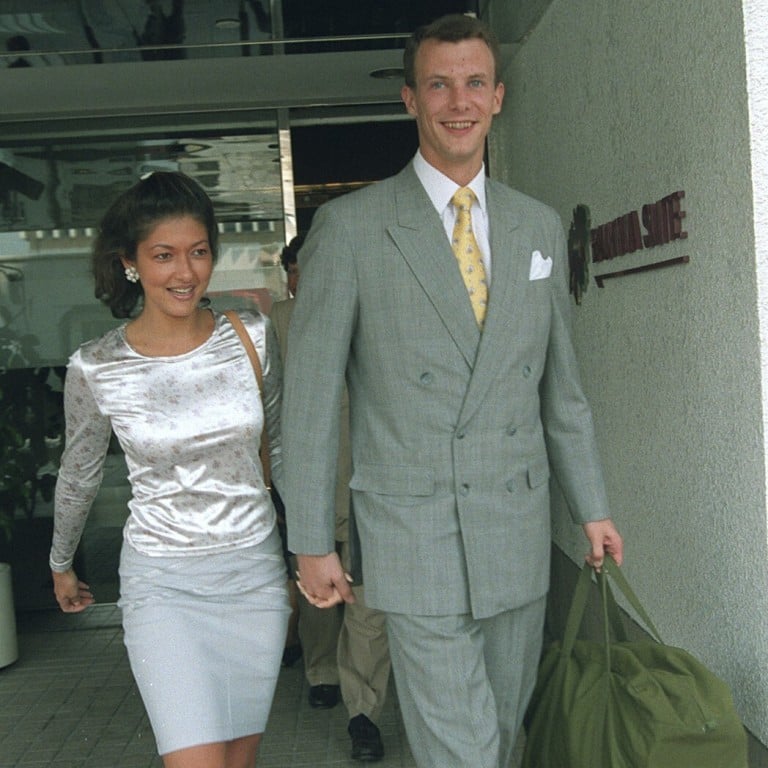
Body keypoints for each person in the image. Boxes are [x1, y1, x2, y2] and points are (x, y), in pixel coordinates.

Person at [280, 13, 624, 768]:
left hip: (514, 524)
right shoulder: (351, 228)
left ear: (498, 97)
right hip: (412, 533)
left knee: (501, 735)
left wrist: (591, 505)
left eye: (474, 83)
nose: (457, 101)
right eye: (439, 85)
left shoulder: (535, 227)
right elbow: (307, 404)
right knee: (458, 749)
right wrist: (310, 540)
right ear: (410, 99)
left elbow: (560, 391)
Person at [49, 171, 290, 768]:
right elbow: (78, 472)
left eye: (198, 252)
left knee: (237, 760)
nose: (185, 273)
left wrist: (316, 545)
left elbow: (281, 449)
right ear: (130, 262)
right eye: (163, 256)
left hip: (253, 575)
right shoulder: (96, 366)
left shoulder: (251, 335)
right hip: (163, 583)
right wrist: (61, 562)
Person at [271, 235, 391, 761]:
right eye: (300, 268)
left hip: (371, 477)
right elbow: (267, 410)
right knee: (318, 586)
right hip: (309, 479)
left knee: (367, 595)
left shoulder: (378, 310)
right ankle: (321, 670)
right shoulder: (278, 321)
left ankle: (363, 712)